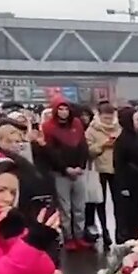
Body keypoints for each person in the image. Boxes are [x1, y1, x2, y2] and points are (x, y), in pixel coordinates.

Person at [42, 99, 91, 250]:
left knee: (79, 207)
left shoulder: (76, 124)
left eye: (66, 109)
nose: (64, 112)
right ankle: (68, 237)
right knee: (65, 208)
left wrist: (81, 166)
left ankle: (80, 236)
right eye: (61, 109)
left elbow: (83, 146)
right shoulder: (49, 127)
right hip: (61, 174)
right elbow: (51, 152)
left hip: (78, 171)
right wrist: (65, 169)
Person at [112, 105, 138, 243]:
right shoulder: (123, 140)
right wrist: (123, 187)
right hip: (129, 183)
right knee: (129, 215)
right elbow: (118, 165)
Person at [85, 101, 121, 240]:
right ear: (99, 116)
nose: (109, 120)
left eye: (110, 117)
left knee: (118, 202)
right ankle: (104, 230)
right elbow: (88, 151)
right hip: (99, 169)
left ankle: (119, 232)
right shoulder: (92, 130)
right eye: (105, 118)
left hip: (116, 168)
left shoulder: (118, 128)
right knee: (101, 202)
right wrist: (103, 145)